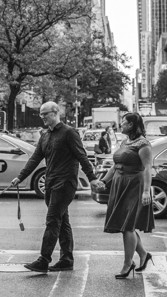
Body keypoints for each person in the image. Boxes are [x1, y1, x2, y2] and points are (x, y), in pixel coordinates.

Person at [10, 101, 102, 273]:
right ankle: (67, 259)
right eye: (41, 114)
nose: (42, 117)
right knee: (62, 221)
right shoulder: (45, 135)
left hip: (65, 183)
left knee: (52, 221)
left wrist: (92, 178)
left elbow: (82, 156)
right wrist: (20, 177)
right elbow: (35, 159)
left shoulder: (69, 133)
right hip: (50, 183)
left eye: (45, 113)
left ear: (55, 112)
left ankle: (43, 260)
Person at [99, 112, 154, 279]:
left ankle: (128, 263)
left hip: (134, 186)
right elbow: (116, 166)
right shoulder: (125, 141)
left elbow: (147, 168)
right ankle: (144, 254)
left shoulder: (143, 144)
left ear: (131, 125)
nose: (120, 125)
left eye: (123, 123)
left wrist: (146, 191)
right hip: (120, 184)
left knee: (127, 226)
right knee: (125, 224)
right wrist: (104, 182)